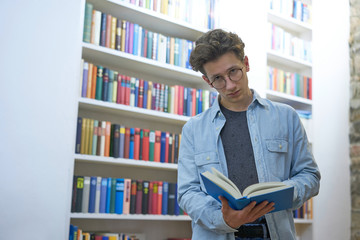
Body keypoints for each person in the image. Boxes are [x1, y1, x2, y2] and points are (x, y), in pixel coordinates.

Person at [177, 29, 320, 240]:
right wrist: (223, 219)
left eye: (234, 71)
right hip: (218, 233)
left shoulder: (286, 117)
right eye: (218, 78)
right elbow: (187, 192)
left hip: (274, 234)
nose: (230, 85)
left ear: (246, 63)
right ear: (208, 81)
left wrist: (284, 192)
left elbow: (310, 175)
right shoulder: (193, 129)